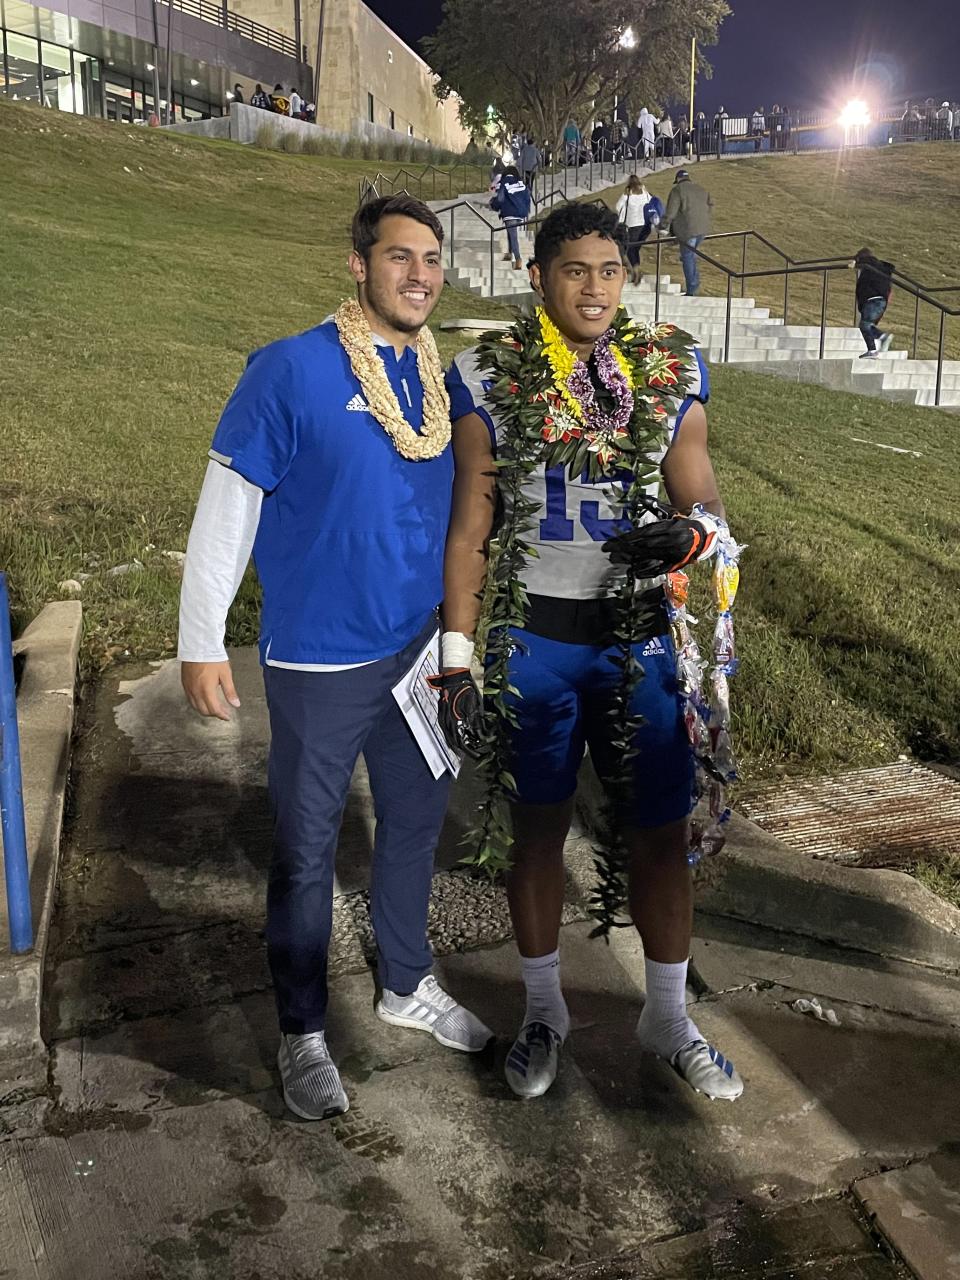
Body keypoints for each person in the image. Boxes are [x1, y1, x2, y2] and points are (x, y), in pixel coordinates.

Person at [177, 193, 491, 1122]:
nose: (420, 275)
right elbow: (226, 506)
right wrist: (201, 639)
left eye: (432, 259)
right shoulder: (290, 369)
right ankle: (302, 1030)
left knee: (412, 828)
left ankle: (406, 981)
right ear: (358, 265)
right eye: (400, 257)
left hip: (420, 656)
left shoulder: (440, 380)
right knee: (308, 851)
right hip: (320, 660)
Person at [440, 200, 743, 1104]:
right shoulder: (490, 372)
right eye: (576, 270)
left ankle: (668, 1016)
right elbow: (471, 526)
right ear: (538, 277)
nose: (596, 288)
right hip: (536, 637)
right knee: (534, 833)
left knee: (659, 837)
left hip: (638, 640)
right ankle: (543, 1011)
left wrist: (691, 538)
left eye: (611, 270)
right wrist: (458, 653)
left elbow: (704, 494)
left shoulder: (666, 366)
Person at [662, 168, 713, 296]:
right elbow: (710, 206)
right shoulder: (701, 189)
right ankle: (693, 285)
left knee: (688, 257)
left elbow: (671, 212)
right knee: (689, 256)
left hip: (688, 230)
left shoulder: (677, 190)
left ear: (678, 180)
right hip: (702, 229)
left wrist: (663, 225)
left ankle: (692, 289)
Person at [616, 174, 662, 284]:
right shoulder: (645, 192)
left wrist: (622, 217)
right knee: (634, 248)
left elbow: (618, 207)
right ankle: (634, 270)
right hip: (646, 225)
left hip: (633, 225)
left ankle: (635, 270)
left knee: (630, 248)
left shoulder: (627, 193)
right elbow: (652, 203)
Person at [852, 247, 895, 358]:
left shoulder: (868, 263)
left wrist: (855, 263)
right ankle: (880, 339)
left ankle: (875, 347)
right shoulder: (880, 268)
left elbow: (864, 261)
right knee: (867, 325)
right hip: (880, 299)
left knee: (864, 325)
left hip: (872, 299)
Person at [490, 165, 532, 270]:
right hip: (521, 212)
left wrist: (493, 204)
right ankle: (509, 253)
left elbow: (500, 198)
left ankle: (518, 259)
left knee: (513, 235)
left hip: (510, 211)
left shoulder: (503, 182)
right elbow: (527, 196)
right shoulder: (520, 182)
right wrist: (526, 210)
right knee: (511, 232)